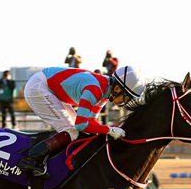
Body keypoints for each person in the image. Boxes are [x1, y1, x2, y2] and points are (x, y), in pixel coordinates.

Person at [17, 65, 146, 177]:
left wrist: (109, 130)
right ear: (117, 88)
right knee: (71, 131)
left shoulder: (105, 93)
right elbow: (81, 125)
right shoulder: (94, 90)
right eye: (127, 97)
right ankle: (32, 158)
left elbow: (91, 123)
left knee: (77, 131)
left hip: (49, 88)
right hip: (39, 87)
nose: (125, 102)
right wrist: (109, 129)